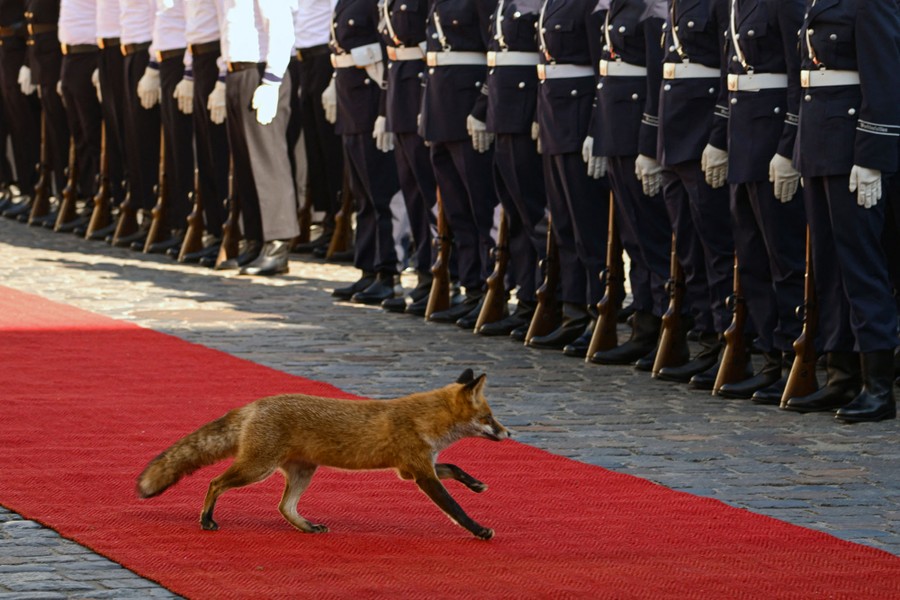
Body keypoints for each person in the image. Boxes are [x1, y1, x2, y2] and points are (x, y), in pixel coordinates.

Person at [782, 0, 899, 423]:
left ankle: (878, 385)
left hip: (852, 149)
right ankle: (841, 374)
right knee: (828, 267)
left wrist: (872, 155)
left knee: (862, 266)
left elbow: (884, 79)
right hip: (819, 143)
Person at [711, 0, 806, 402]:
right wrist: (718, 138)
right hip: (742, 138)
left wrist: (788, 146)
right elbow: (727, 75)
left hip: (770, 141)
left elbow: (798, 79)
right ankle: (770, 356)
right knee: (750, 258)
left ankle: (793, 357)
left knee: (782, 257)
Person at [652, 0, 734, 387]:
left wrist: (718, 136)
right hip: (674, 135)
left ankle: (728, 342)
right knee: (688, 250)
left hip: (702, 135)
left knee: (715, 248)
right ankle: (705, 341)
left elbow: (729, 69)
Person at [586, 0, 672, 365]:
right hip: (616, 127)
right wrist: (597, 130)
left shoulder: (649, 9)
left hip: (637, 128)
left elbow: (656, 80)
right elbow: (604, 74)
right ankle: (643, 321)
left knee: (650, 237)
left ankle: (661, 325)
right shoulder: (620, 6)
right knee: (633, 236)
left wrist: (650, 144)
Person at [527, 0, 609, 352]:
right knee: (563, 225)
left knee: (586, 226)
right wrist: (538, 115)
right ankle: (573, 311)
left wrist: (596, 128)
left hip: (577, 121)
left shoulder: (591, 6)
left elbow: (601, 72)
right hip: (554, 117)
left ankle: (597, 312)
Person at [418, 0, 498, 325]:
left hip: (467, 107)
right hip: (441, 105)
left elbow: (495, 53)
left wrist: (482, 106)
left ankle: (490, 286)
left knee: (480, 205)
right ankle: (471, 287)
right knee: (455, 210)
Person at [473, 0, 547, 337]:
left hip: (524, 114)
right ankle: (527, 299)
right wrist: (484, 109)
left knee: (533, 217)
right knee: (514, 217)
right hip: (502, 113)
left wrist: (536, 117)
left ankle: (546, 300)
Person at [326, 0, 402, 303]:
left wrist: (386, 110)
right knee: (363, 195)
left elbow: (387, 54)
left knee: (382, 194)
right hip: (350, 104)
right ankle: (368, 268)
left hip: (371, 105)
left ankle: (389, 272)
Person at [218, 0, 298, 275]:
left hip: (260, 72)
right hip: (237, 71)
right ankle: (254, 238)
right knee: (244, 163)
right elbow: (228, 28)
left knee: (267, 161)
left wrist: (272, 81)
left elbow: (281, 27)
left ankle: (277, 243)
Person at [377, 0, 439, 315]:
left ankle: (439, 274)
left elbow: (434, 45)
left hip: (421, 87)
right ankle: (424, 272)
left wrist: (428, 102)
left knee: (430, 193)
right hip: (400, 88)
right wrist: (383, 109)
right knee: (410, 190)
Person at [291, 0, 344, 256]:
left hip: (326, 57)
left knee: (329, 147)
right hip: (305, 60)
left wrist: (335, 77)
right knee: (314, 149)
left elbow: (338, 20)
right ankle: (326, 221)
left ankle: (340, 222)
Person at [143, 0, 195, 254]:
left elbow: (195, 24)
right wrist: (153, 65)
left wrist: (189, 72)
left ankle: (189, 222)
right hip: (166, 59)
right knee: (173, 150)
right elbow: (160, 22)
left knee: (184, 148)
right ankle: (178, 222)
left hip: (182, 61)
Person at [179, 0, 228, 263]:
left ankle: (226, 229)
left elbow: (227, 26)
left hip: (216, 59)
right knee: (206, 155)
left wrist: (222, 78)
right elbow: (191, 24)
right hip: (198, 58)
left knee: (218, 153)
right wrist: (188, 71)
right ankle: (213, 228)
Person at [112, 0, 160, 248]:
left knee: (146, 141)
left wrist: (153, 67)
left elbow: (160, 18)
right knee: (133, 143)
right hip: (128, 53)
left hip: (148, 53)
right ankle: (145, 213)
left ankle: (156, 214)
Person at [24, 0, 72, 228]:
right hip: (42, 53)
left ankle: (67, 194)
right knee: (51, 132)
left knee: (62, 132)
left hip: (57, 52)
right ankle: (57, 192)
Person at [58, 0, 103, 233]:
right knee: (79, 136)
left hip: (89, 54)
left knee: (92, 133)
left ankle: (101, 198)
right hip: (70, 56)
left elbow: (107, 17)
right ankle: (89, 197)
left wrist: (100, 63)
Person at [0, 0, 41, 219]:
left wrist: (29, 61)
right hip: (4, 47)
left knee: (22, 125)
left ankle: (31, 190)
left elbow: (32, 18)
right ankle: (5, 183)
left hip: (16, 47)